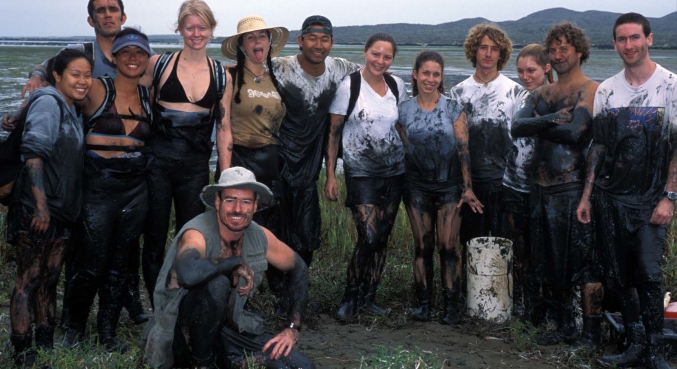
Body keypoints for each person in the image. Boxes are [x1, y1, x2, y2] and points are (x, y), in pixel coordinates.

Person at [3, 0, 150, 328]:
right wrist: (26, 98)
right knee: (84, 251)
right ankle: (69, 323)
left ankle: (128, 301)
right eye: (101, 10)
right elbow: (47, 75)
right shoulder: (82, 51)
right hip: (81, 165)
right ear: (91, 18)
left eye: (114, 9)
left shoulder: (142, 58)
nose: (108, 15)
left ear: (124, 16)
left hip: (120, 176)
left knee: (124, 251)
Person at [576, 13, 675, 369]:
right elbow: (599, 148)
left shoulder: (670, 85)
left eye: (635, 38)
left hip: (650, 200)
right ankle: (634, 344)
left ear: (649, 39)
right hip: (610, 199)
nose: (629, 45)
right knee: (620, 276)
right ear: (615, 43)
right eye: (622, 39)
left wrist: (669, 196)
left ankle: (656, 351)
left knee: (649, 274)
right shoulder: (607, 90)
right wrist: (587, 197)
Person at [143, 167, 315, 369]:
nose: (238, 209)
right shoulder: (197, 233)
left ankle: (229, 360)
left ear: (255, 205)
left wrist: (292, 327)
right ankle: (201, 364)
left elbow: (299, 267)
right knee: (218, 284)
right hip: (181, 332)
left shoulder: (260, 235)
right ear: (217, 202)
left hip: (229, 328)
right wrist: (233, 263)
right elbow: (187, 274)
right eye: (230, 200)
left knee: (301, 366)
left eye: (246, 202)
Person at [512, 22, 602, 346]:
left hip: (572, 186)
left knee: (579, 260)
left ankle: (589, 332)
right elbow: (516, 127)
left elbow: (577, 132)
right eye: (554, 49)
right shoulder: (540, 93)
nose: (559, 54)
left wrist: (536, 126)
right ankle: (561, 325)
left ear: (580, 51)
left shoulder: (590, 89)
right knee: (546, 259)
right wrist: (550, 119)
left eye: (566, 48)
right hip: (539, 187)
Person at [63, 29, 153, 352]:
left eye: (139, 53)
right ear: (113, 57)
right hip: (98, 191)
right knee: (92, 264)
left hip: (134, 192)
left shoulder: (149, 97)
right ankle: (73, 328)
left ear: (147, 59)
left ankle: (108, 333)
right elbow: (59, 81)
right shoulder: (96, 90)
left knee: (119, 267)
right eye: (125, 52)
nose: (132, 58)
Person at [140, 0, 232, 307]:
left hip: (194, 170)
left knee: (190, 239)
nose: (196, 33)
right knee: (153, 239)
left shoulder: (222, 76)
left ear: (212, 30)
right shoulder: (159, 64)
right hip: (157, 167)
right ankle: (157, 308)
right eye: (190, 27)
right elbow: (134, 107)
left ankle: (183, 303)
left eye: (202, 27)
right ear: (179, 29)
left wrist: (225, 177)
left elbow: (224, 128)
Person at [267, 15, 359, 314]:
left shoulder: (341, 68)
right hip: (277, 159)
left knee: (307, 234)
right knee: (276, 229)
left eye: (325, 39)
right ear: (301, 40)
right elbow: (244, 75)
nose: (319, 45)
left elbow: (372, 74)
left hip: (309, 166)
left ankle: (297, 287)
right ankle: (277, 291)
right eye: (313, 38)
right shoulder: (279, 67)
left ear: (332, 42)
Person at [6, 49, 92, 367]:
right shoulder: (48, 101)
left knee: (49, 280)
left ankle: (45, 345)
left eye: (87, 75)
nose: (83, 81)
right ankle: (21, 351)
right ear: (57, 75)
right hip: (38, 210)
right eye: (75, 74)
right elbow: (33, 155)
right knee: (27, 281)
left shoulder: (71, 107)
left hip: (62, 212)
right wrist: (40, 207)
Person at [325, 33, 408, 321]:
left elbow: (402, 128)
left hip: (395, 172)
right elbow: (334, 131)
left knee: (382, 238)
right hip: (360, 172)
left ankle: (369, 298)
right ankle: (349, 298)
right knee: (369, 236)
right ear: (365, 52)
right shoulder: (350, 85)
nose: (380, 60)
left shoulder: (397, 85)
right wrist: (331, 176)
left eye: (386, 56)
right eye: (376, 54)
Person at [396, 51, 482, 324]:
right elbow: (403, 149)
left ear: (441, 77)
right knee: (423, 245)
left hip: (450, 186)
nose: (430, 79)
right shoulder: (404, 109)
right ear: (415, 74)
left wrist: (467, 188)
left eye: (436, 74)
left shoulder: (453, 108)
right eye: (425, 73)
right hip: (416, 186)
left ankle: (451, 306)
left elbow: (464, 149)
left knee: (447, 245)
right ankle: (423, 304)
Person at [449, 24, 525, 256]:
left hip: (506, 183)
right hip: (470, 182)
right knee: (472, 245)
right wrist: (464, 185)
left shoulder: (515, 91)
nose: (488, 53)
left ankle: (509, 291)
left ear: (501, 54)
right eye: (483, 47)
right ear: (474, 50)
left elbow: (521, 142)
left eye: (494, 48)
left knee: (507, 244)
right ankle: (471, 291)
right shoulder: (458, 92)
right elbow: (455, 144)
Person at [219, 15, 288, 230]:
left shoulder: (279, 77)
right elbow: (223, 127)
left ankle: (261, 265)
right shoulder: (229, 76)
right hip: (240, 157)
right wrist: (225, 174)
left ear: (269, 42)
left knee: (267, 227)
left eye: (262, 36)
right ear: (242, 46)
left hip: (271, 161)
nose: (257, 41)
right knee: (236, 224)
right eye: (251, 38)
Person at [503, 44, 552, 321]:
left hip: (543, 188)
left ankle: (547, 306)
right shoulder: (521, 98)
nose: (525, 76)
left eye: (531, 70)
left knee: (542, 247)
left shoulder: (553, 98)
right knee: (519, 247)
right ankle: (525, 303)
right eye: (520, 70)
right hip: (513, 183)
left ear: (546, 68)